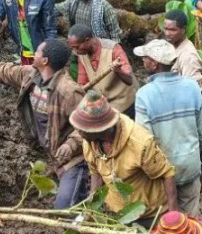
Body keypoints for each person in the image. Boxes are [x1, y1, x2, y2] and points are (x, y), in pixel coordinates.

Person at [0, 39, 89, 209]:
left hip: (74, 159)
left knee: (64, 207)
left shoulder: (69, 91)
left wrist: (71, 144)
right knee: (76, 199)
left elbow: (89, 125)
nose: (34, 54)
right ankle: (85, 210)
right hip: (53, 154)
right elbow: (0, 70)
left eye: (37, 52)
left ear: (45, 61)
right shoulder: (31, 76)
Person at [69, 90, 178, 226]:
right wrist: (91, 210)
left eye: (81, 129)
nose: (78, 132)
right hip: (120, 214)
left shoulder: (140, 143)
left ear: (97, 130)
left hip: (151, 213)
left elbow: (167, 174)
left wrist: (174, 218)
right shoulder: (89, 143)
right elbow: (96, 172)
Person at [134, 39, 202, 216]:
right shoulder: (191, 87)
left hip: (162, 169)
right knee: (191, 217)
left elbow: (144, 139)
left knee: (167, 220)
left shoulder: (144, 95)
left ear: (155, 64)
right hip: (189, 164)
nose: (143, 60)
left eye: (146, 58)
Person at [67, 24, 138, 116]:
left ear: (87, 40)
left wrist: (118, 70)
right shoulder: (82, 54)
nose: (75, 51)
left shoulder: (113, 49)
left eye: (77, 47)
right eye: (73, 48)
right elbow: (82, 83)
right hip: (107, 105)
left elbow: (129, 80)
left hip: (126, 102)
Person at [163, 10, 202, 93]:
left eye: (172, 30)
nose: (167, 33)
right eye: (165, 29)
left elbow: (194, 91)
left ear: (183, 29)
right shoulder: (169, 46)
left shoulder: (188, 56)